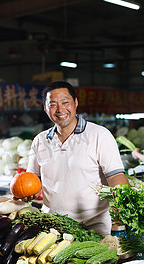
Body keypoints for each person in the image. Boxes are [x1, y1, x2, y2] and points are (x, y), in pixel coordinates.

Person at [27, 81, 129, 236]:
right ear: (45, 108)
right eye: (53, 104)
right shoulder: (40, 140)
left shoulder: (99, 135)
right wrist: (26, 193)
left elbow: (115, 177)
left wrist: (124, 207)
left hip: (94, 228)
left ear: (75, 103)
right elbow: (32, 180)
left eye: (65, 102)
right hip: (53, 229)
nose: (60, 109)